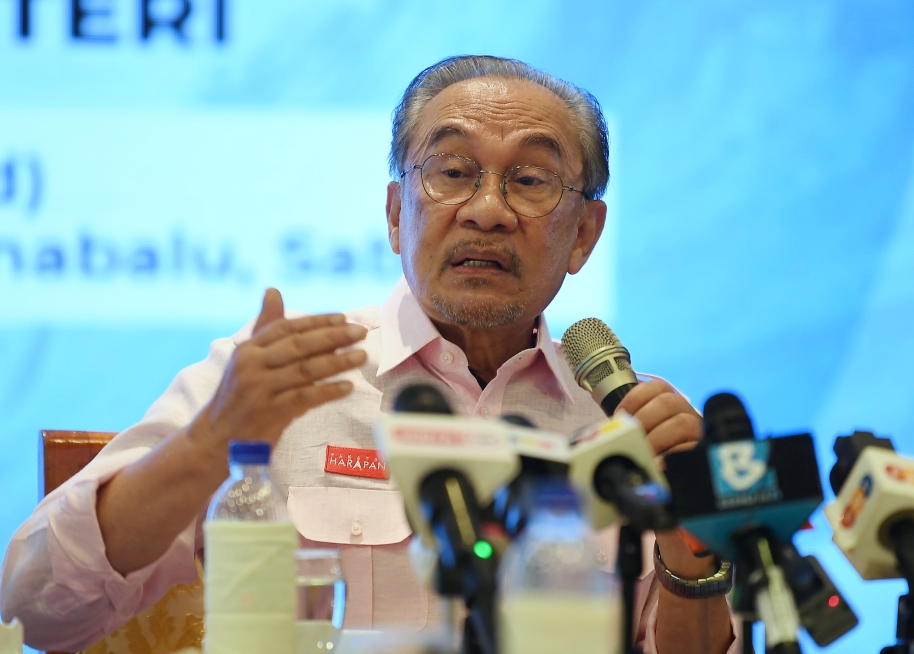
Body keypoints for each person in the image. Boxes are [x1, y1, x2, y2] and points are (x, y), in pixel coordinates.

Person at [0, 55, 737, 654]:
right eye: (452, 172)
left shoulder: (629, 426)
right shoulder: (275, 379)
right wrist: (208, 446)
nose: (486, 208)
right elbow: (36, 610)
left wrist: (688, 553)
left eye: (531, 180)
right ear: (395, 214)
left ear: (584, 235)